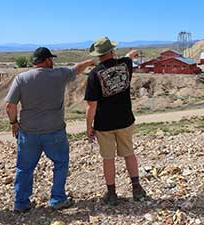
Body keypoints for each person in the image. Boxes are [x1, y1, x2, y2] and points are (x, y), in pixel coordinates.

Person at [5, 47, 94, 212]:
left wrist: (13, 123)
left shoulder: (21, 78)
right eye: (51, 59)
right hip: (55, 131)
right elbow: (78, 68)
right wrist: (91, 61)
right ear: (47, 60)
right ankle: (57, 199)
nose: (52, 62)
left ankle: (21, 203)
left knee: (24, 168)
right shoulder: (59, 74)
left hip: (28, 133)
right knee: (60, 163)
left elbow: (10, 106)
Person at [84, 37, 146, 206]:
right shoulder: (125, 65)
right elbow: (128, 57)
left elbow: (91, 106)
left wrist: (89, 128)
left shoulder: (94, 75)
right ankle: (137, 189)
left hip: (104, 124)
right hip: (125, 120)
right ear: (111, 51)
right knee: (129, 153)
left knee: (108, 159)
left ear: (98, 55)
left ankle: (112, 194)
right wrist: (131, 53)